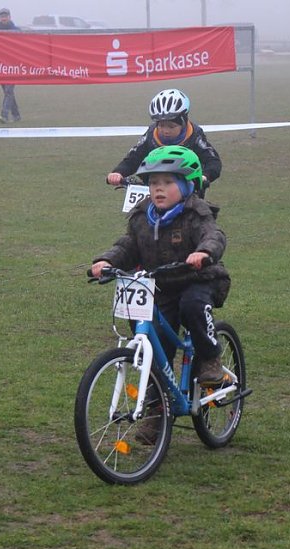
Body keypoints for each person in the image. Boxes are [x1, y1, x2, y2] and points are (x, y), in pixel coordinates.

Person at [91, 145, 231, 387]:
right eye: (154, 182)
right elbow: (128, 245)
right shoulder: (143, 215)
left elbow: (213, 235)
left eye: (168, 182)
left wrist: (203, 252)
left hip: (197, 279)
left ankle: (210, 358)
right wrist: (107, 260)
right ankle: (158, 407)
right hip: (159, 286)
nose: (159, 188)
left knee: (192, 305)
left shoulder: (196, 212)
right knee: (155, 345)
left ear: (189, 185)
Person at [106, 88, 222, 199]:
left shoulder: (194, 135)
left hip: (187, 191)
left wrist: (205, 176)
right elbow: (133, 159)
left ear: (183, 122)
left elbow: (213, 161)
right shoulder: (151, 135)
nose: (165, 131)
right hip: (154, 189)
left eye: (171, 126)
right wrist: (118, 172)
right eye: (161, 125)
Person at [0, 8, 21, 123]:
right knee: (7, 92)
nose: (4, 18)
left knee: (9, 91)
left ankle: (4, 115)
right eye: (2, 16)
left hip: (13, 65)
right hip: (0, 66)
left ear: (9, 17)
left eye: (5, 16)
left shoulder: (16, 31)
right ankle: (16, 115)